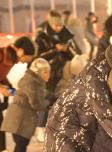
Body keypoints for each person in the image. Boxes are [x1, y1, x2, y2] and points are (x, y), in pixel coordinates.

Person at [35, 10, 82, 142]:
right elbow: (38, 56)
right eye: (55, 25)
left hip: (65, 74)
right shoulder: (42, 37)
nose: (58, 28)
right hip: (48, 74)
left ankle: (60, 128)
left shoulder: (68, 36)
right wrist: (55, 50)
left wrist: (67, 50)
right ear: (50, 24)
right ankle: (41, 128)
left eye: (60, 25)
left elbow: (78, 54)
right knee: (45, 101)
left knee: (63, 102)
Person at [0, 58, 50, 152]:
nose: (48, 75)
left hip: (22, 116)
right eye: (46, 72)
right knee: (21, 142)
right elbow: (35, 102)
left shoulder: (34, 82)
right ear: (40, 73)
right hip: (20, 117)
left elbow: (42, 95)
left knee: (22, 142)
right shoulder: (31, 83)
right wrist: (48, 105)